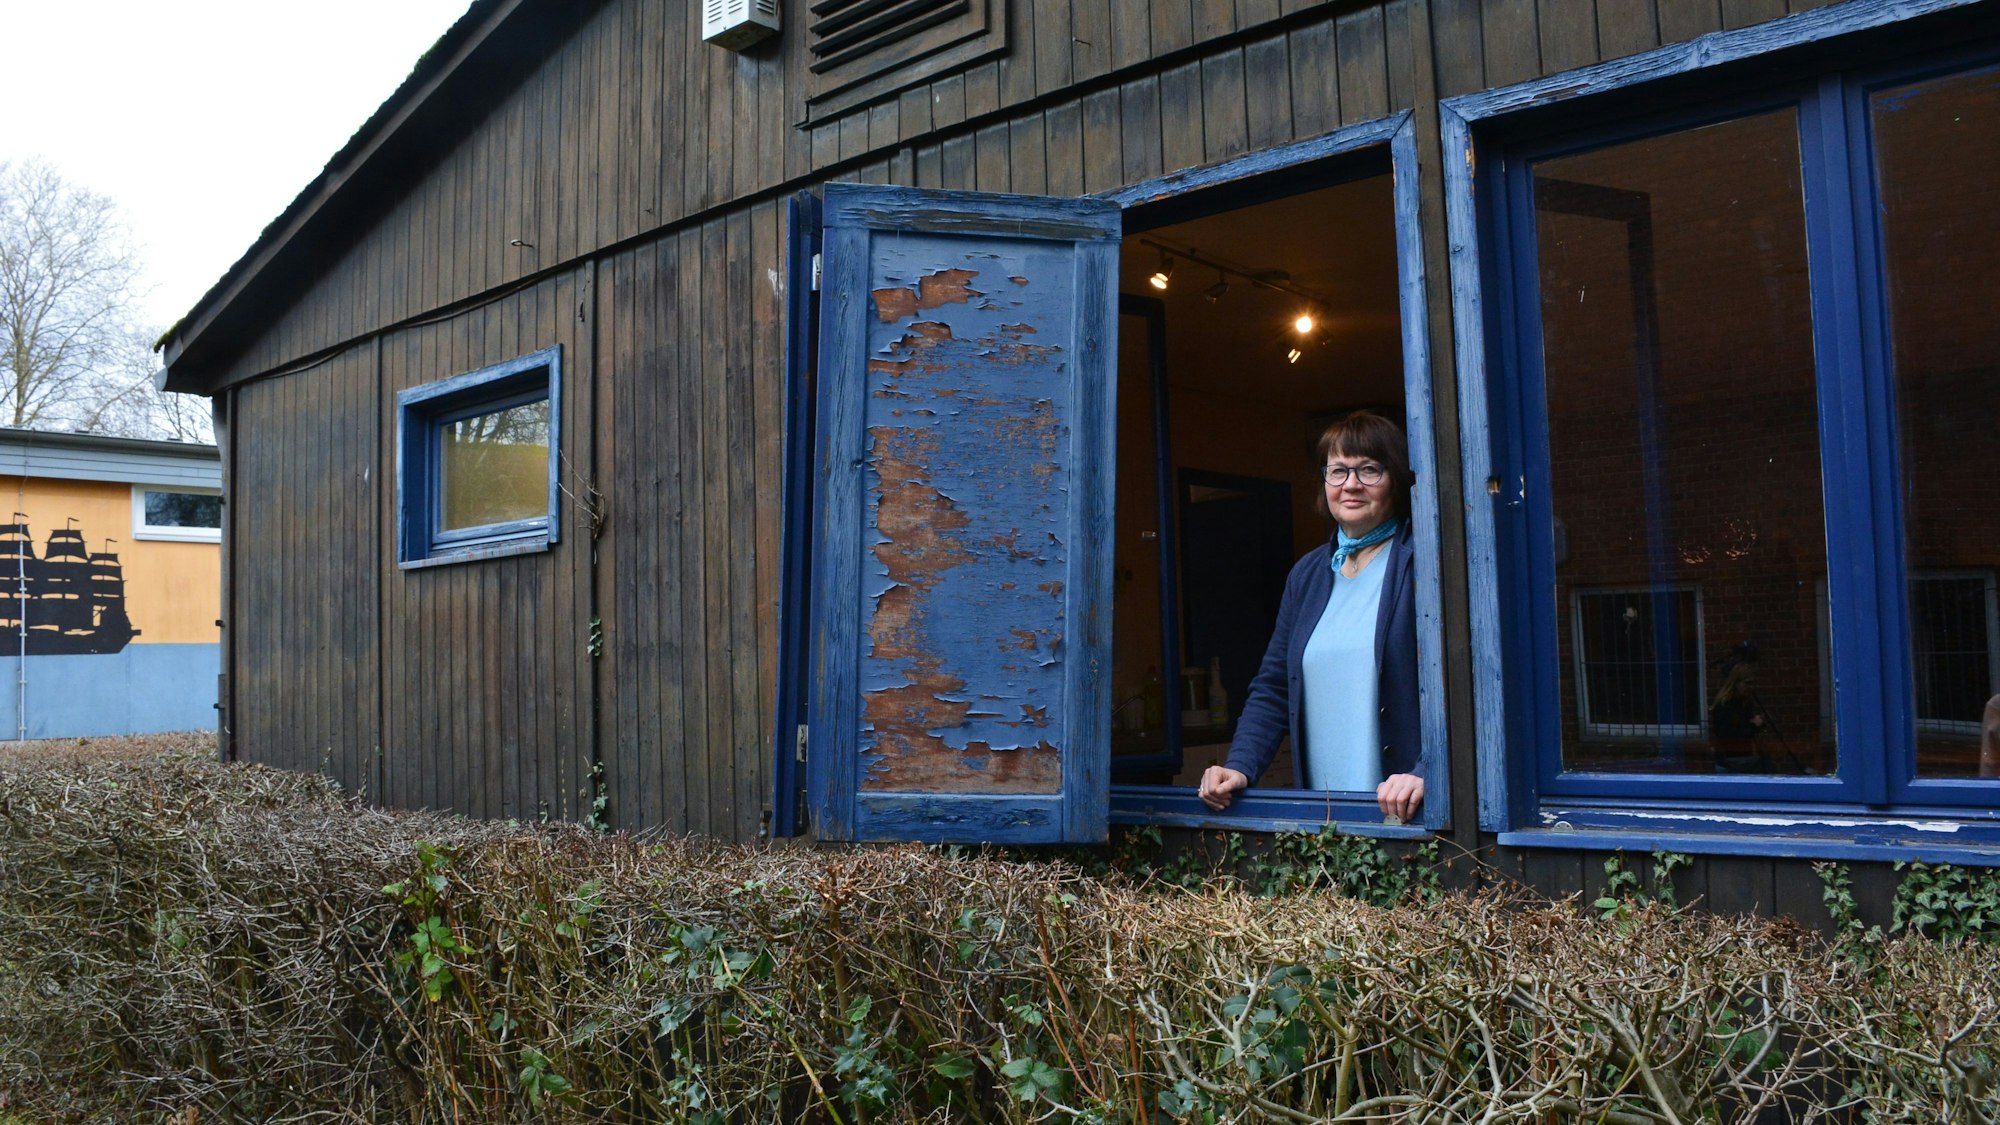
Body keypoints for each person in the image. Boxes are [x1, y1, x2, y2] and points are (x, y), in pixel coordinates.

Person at [1198, 411, 1424, 821]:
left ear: (1396, 479)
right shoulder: (1307, 575)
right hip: (1324, 820)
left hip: (1403, 813)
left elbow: (1462, 686)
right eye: (1338, 471)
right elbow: (1273, 687)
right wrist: (1240, 765)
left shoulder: (1422, 564)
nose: (1351, 484)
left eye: (1369, 470)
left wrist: (1427, 771)